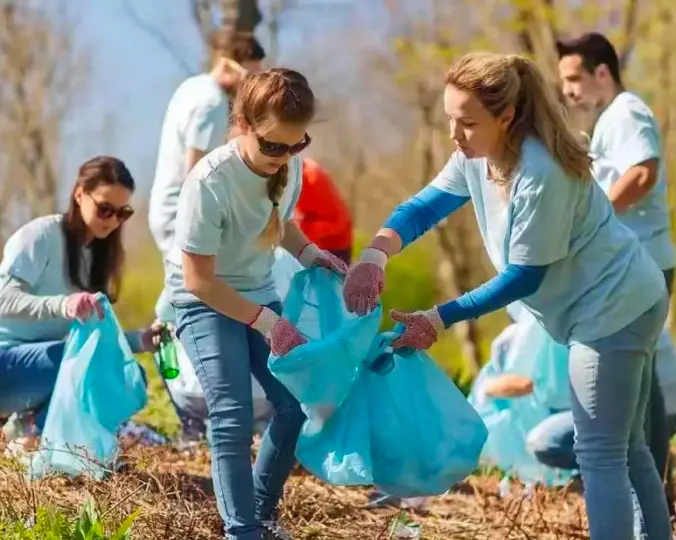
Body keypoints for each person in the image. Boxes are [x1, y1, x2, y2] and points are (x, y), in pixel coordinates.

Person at [343, 52, 671, 540]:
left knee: (599, 453)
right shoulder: (478, 156)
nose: (455, 135)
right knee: (630, 448)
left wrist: (438, 317)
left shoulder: (541, 173)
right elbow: (422, 208)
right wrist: (375, 255)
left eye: (468, 123)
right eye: (450, 119)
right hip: (626, 296)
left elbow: (524, 277)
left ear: (507, 117)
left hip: (613, 309)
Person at [166, 68, 347, 540]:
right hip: (202, 298)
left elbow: (280, 223)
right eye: (273, 146)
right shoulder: (209, 181)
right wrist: (267, 321)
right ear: (243, 123)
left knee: (294, 405)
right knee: (232, 412)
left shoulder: (290, 170)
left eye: (296, 144)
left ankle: (263, 514)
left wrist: (312, 254)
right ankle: (241, 530)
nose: (283, 157)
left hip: (256, 289)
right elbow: (198, 280)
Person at [556, 32, 676, 514]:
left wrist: (591, 225)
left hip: (643, 264)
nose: (568, 90)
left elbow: (642, 172)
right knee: (637, 398)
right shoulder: (612, 118)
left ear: (601, 72)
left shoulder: (626, 111)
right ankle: (654, 503)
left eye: (573, 78)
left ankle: (652, 501)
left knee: (637, 401)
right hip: (640, 266)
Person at [148, 32, 266, 441]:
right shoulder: (213, 101)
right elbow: (197, 170)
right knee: (181, 302)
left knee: (180, 299)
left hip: (165, 207)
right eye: (248, 77)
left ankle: (184, 397)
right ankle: (185, 404)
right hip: (183, 214)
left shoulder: (191, 86)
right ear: (231, 65)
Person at [0, 156, 163, 449]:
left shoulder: (95, 256)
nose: (113, 221)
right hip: (6, 362)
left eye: (121, 213)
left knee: (127, 373)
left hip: (41, 366)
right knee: (90, 365)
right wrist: (63, 304)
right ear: (79, 194)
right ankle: (29, 432)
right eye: (104, 209)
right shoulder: (42, 235)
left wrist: (141, 340)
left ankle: (28, 431)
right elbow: (3, 299)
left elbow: (93, 338)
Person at [293, 158, 354, 265]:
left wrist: (299, 228)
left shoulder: (313, 177)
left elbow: (338, 221)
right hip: (311, 243)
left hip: (333, 247)